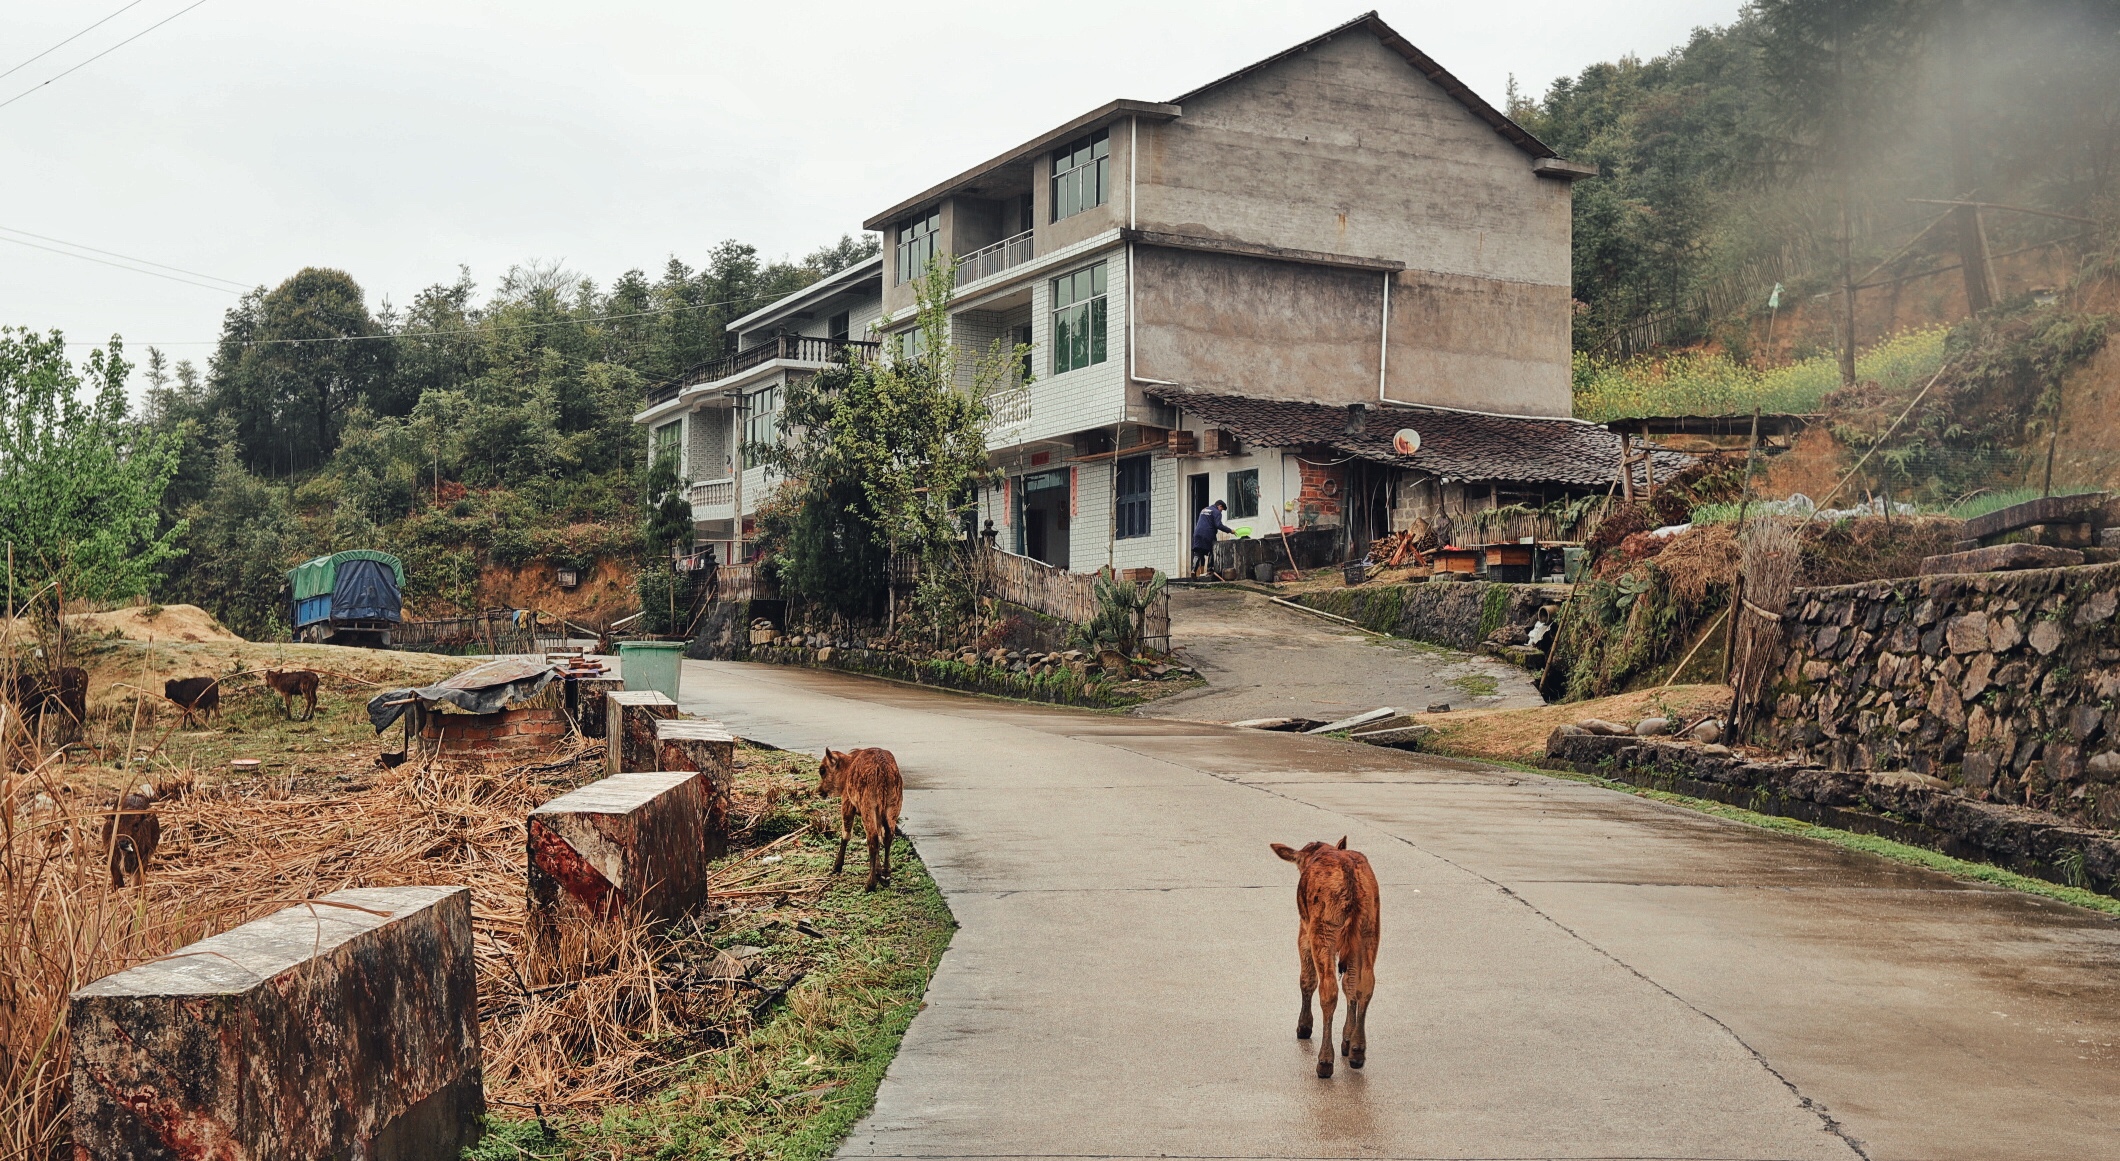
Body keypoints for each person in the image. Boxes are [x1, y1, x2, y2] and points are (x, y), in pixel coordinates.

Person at [1192, 499, 1235, 577]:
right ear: (1219, 506)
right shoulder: (1217, 512)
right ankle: (1210, 570)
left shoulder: (1204, 510)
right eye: (1222, 510)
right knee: (1213, 549)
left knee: (1198, 552)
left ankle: (1193, 570)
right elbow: (1218, 525)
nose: (1221, 511)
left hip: (1197, 533)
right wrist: (1230, 531)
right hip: (1208, 533)